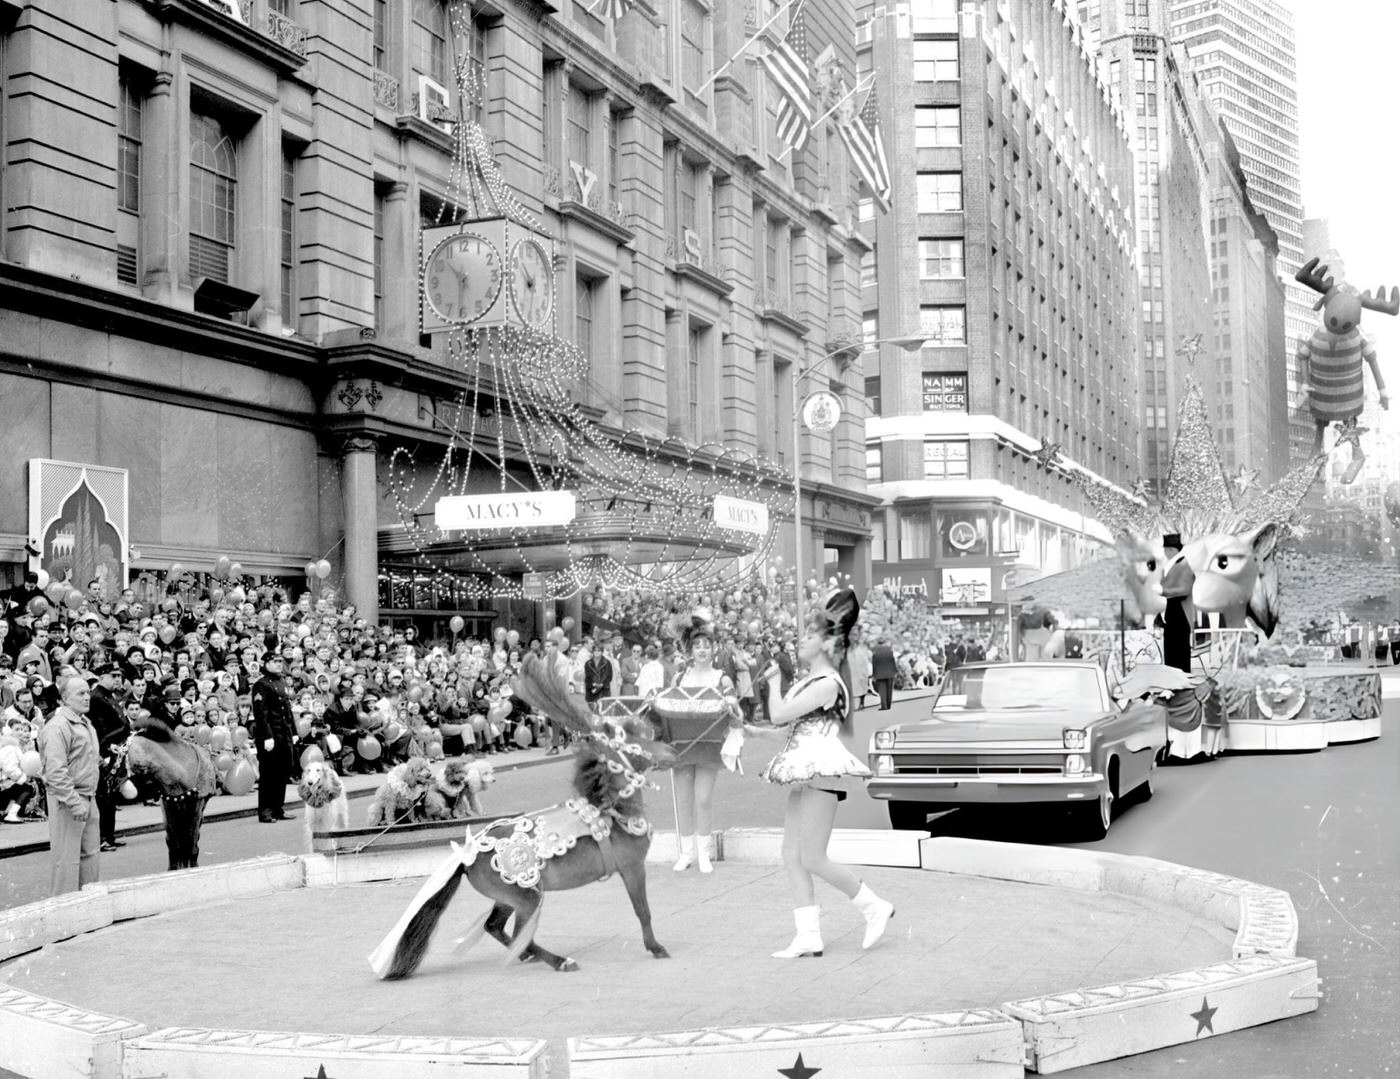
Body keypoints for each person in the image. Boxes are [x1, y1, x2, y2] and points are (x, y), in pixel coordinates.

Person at [722, 589, 894, 958]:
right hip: (805, 767)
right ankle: (808, 935)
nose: (801, 641)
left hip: (823, 770)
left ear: (827, 643)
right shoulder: (807, 683)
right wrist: (752, 731)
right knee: (791, 853)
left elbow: (782, 712)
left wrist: (771, 684)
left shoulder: (829, 682)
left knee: (813, 856)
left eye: (808, 636)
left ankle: (873, 905)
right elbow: (789, 730)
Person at [650, 614, 740, 874]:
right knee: (684, 800)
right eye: (697, 646)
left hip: (709, 745)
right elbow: (666, 706)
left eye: (707, 646)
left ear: (713, 650)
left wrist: (732, 706)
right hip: (681, 745)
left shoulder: (722, 679)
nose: (702, 650)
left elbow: (736, 714)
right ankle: (686, 853)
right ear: (690, 650)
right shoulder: (680, 678)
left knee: (703, 799)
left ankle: (704, 853)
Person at [38, 676, 102, 896]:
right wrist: (74, 803)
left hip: (88, 796)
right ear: (64, 699)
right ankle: (63, 913)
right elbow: (55, 772)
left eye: (87, 692)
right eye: (80, 694)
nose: (87, 697)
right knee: (66, 861)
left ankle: (89, 905)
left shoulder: (85, 723)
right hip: (68, 800)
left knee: (90, 856)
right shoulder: (57, 727)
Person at [88, 663, 131, 851]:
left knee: (110, 796)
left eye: (119, 676)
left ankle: (109, 836)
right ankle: (102, 838)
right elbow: (97, 730)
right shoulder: (97, 698)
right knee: (103, 797)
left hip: (114, 751)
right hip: (104, 752)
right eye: (113, 676)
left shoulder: (108, 696)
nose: (117, 680)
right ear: (102, 677)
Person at [250, 652, 296, 822]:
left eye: (280, 661)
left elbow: (287, 710)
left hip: (284, 734)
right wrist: (267, 736)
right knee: (268, 774)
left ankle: (278, 808)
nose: (278, 664)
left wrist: (295, 732)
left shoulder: (282, 682)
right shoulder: (261, 685)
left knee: (282, 773)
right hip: (270, 736)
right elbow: (260, 713)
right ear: (266, 664)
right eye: (275, 661)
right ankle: (265, 811)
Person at [870, 638, 897, 711]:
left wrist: (874, 675)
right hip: (890, 672)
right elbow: (892, 661)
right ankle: (889, 705)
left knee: (882, 691)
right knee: (889, 690)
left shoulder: (875, 652)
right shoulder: (889, 651)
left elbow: (874, 665)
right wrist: (895, 671)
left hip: (880, 673)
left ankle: (884, 706)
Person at [847, 634, 872, 710]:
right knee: (861, 690)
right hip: (859, 674)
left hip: (858, 674)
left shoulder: (855, 652)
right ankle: (860, 704)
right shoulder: (859, 652)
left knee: (859, 690)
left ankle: (860, 704)